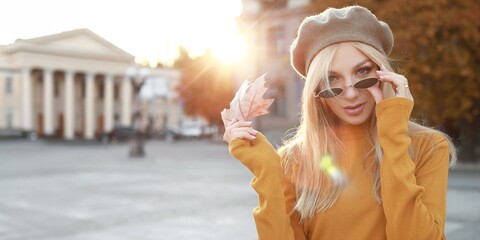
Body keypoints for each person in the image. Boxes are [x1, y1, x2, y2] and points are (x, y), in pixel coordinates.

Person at [223, 5, 457, 240]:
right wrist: (268, 172)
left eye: (363, 72)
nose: (351, 94)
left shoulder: (428, 147)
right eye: (331, 78)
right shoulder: (292, 160)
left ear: (383, 74)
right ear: (316, 89)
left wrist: (394, 135)